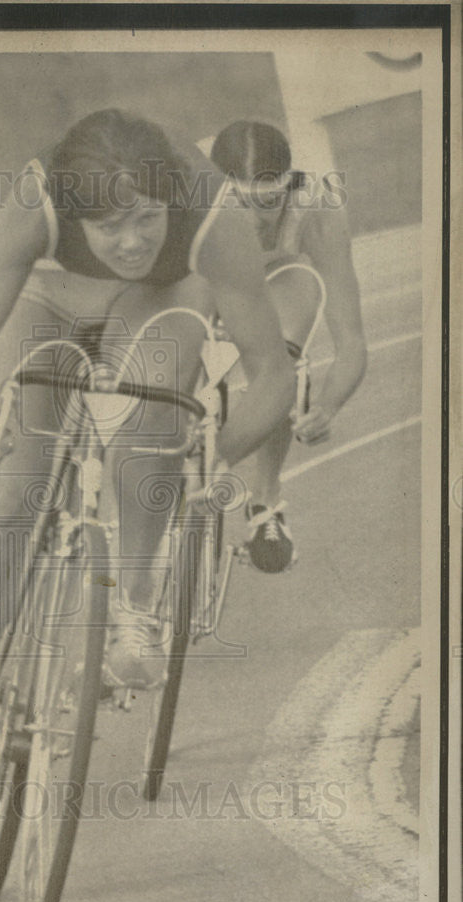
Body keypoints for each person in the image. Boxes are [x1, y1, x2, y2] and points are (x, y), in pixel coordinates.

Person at [0, 109, 295, 839]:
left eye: (146, 217)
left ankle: (136, 607)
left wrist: (217, 459)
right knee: (11, 498)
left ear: (167, 200)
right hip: (48, 298)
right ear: (73, 214)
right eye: (109, 226)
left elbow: (274, 374)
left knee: (152, 413)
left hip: (164, 298)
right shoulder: (33, 203)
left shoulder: (212, 216)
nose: (132, 240)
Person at [204, 121, 367, 572]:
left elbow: (351, 338)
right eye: (242, 204)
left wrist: (328, 407)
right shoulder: (188, 195)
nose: (256, 220)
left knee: (284, 363)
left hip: (273, 280)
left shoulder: (317, 207)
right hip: (204, 271)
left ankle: (265, 501)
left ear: (289, 185)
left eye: (270, 202)